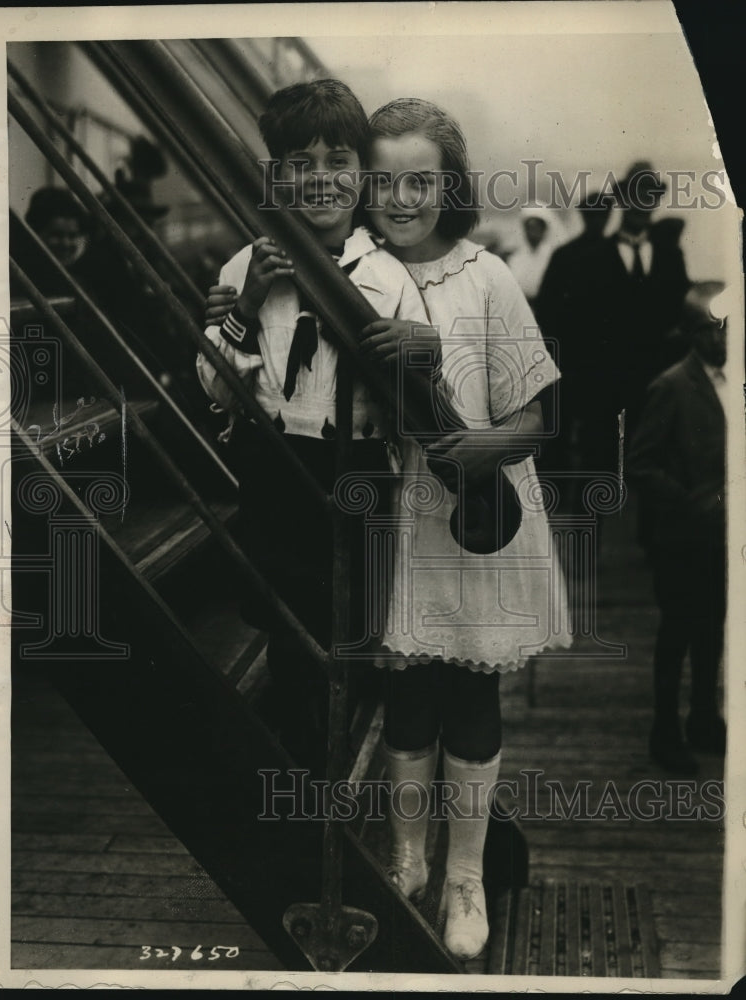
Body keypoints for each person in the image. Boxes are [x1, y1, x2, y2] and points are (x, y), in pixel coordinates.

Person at [359, 98, 571, 961]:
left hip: (483, 509)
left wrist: (481, 443)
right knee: (408, 695)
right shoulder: (357, 270)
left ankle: (466, 876)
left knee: (472, 694)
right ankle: (408, 854)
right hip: (403, 514)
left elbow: (543, 417)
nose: (401, 197)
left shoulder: (486, 276)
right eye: (384, 180)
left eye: (421, 180)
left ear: (449, 186)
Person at [196, 79, 431, 775]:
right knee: (289, 629)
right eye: (299, 162)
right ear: (275, 173)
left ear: (361, 175)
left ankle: (342, 751)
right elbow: (213, 383)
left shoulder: (388, 275)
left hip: (355, 468)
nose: (319, 179)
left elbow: (416, 399)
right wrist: (250, 301)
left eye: (337, 161)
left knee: (352, 624)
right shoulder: (246, 265)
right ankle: (304, 767)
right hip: (276, 461)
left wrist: (411, 358)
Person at [627, 282, 728, 775]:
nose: (723, 340)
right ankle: (664, 730)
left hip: (723, 537)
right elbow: (640, 464)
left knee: (714, 629)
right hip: (683, 537)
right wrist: (693, 502)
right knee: (679, 632)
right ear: (690, 334)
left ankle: (705, 718)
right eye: (711, 331)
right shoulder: (671, 386)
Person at [578, 161, 690, 484]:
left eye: (650, 195)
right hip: (606, 386)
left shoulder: (671, 256)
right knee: (602, 474)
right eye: (635, 195)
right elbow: (581, 326)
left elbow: (679, 311)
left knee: (653, 473)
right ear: (623, 200)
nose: (643, 203)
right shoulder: (594, 257)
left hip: (656, 384)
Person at [535, 190, 613, 477]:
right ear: (584, 217)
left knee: (596, 427)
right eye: (593, 215)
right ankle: (558, 481)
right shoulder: (565, 255)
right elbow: (546, 306)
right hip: (568, 355)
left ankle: (591, 483)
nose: (598, 222)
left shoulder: (615, 253)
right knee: (562, 423)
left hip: (602, 358)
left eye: (602, 216)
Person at [506, 205, 557, 314]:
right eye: (529, 228)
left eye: (537, 228)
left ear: (544, 229)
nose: (532, 232)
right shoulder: (515, 257)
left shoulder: (553, 256)